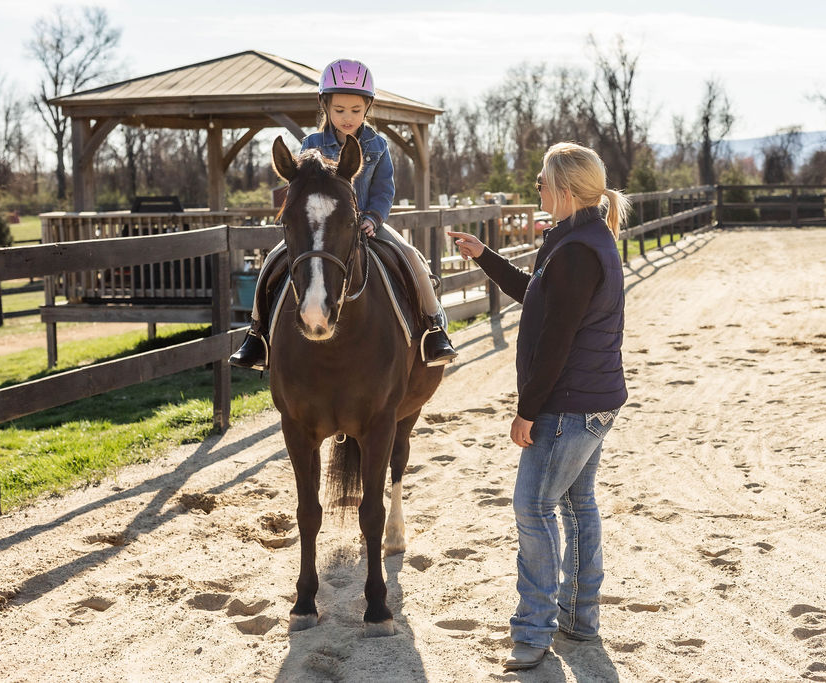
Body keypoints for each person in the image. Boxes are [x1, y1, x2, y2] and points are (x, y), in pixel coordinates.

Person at [448, 142, 630, 671]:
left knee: (533, 508)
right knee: (577, 506)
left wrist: (527, 410)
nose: (537, 189)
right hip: (592, 400)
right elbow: (537, 296)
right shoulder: (580, 239)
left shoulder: (576, 251)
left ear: (566, 191)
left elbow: (555, 339)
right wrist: (486, 257)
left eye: (543, 182)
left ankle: (533, 631)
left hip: (569, 403)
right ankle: (578, 618)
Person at [229, 58, 456, 370]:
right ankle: (256, 336)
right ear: (325, 106)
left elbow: (384, 189)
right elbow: (302, 189)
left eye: (355, 110)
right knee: (272, 261)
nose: (347, 117)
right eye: (339, 110)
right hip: (320, 231)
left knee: (410, 255)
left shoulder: (377, 144)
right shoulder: (311, 144)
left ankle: (433, 328)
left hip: (366, 225)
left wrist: (374, 218)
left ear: (367, 108)